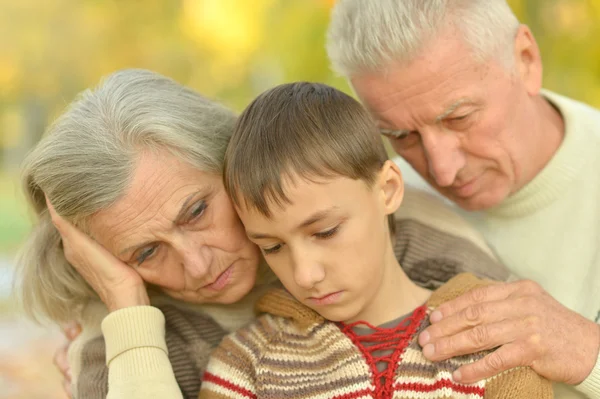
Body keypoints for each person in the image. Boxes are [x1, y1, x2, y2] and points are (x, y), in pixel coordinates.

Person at [16, 69, 511, 399]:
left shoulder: (402, 231)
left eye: (195, 211)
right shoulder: (121, 333)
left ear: (231, 160)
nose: (197, 264)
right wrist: (128, 312)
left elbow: (516, 342)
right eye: (147, 252)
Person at [198, 81, 551, 398]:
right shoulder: (244, 365)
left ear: (388, 189)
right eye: (272, 247)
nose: (304, 275)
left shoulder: (492, 340)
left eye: (325, 232)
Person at [326, 1, 600, 398]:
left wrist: (586, 350)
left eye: (459, 118)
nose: (441, 171)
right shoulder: (389, 211)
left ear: (525, 60)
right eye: (402, 137)